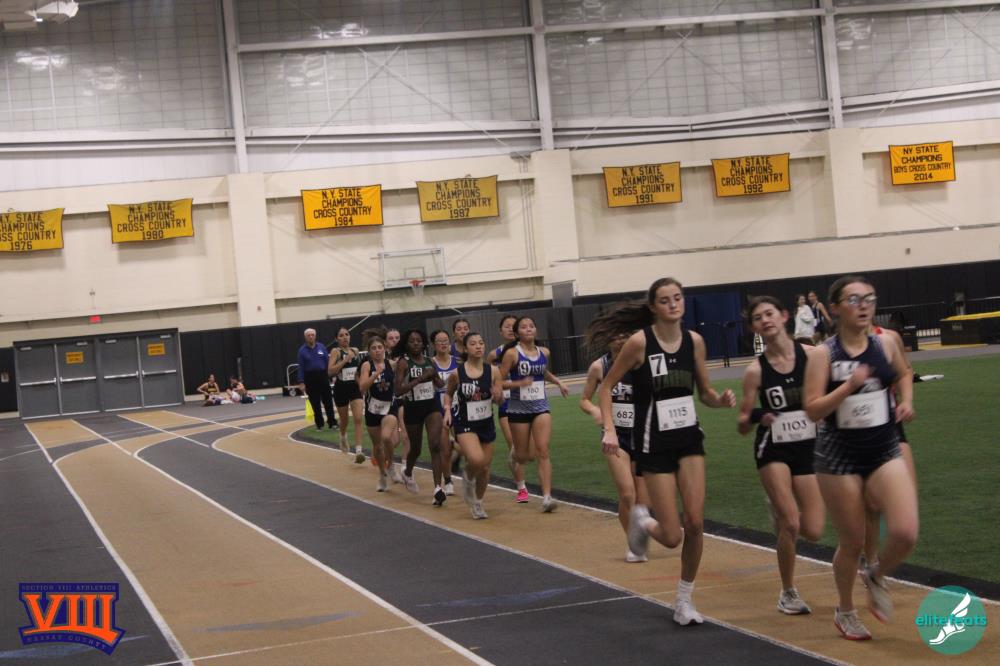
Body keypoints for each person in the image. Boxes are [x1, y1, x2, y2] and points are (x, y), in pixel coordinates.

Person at [590, 277, 737, 627]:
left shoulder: (695, 341)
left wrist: (719, 400)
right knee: (672, 537)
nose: (673, 304)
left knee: (696, 522)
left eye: (678, 298)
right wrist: (609, 429)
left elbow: (704, 392)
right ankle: (642, 520)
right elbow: (606, 388)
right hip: (652, 442)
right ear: (654, 307)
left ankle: (684, 600)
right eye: (665, 300)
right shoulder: (640, 343)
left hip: (688, 439)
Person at [803, 275, 917, 641]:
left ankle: (876, 574)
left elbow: (903, 372)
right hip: (839, 455)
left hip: (883, 446)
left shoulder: (886, 343)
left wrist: (906, 401)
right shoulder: (824, 354)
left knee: (905, 531)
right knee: (852, 541)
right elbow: (812, 409)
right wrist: (848, 387)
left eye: (869, 298)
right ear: (835, 308)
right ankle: (845, 609)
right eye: (854, 299)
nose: (864, 305)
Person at [737, 296, 825, 615]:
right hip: (773, 447)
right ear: (754, 328)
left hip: (808, 447)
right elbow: (742, 423)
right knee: (791, 522)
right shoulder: (755, 372)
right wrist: (758, 416)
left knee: (813, 530)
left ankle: (780, 506)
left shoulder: (813, 356)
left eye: (769, 313)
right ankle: (788, 592)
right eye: (758, 318)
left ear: (785, 316)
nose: (765, 320)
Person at [580, 331, 650, 562]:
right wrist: (595, 410)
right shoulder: (599, 367)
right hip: (614, 435)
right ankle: (633, 544)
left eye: (625, 335)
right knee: (627, 493)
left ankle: (638, 534)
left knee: (641, 498)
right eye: (616, 336)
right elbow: (584, 399)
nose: (620, 340)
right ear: (607, 339)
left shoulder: (641, 361)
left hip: (641, 434)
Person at [499, 316, 569, 513]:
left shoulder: (544, 352)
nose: (528, 329)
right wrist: (518, 383)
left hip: (540, 407)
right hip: (518, 409)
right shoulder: (512, 354)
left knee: (543, 450)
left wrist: (559, 382)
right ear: (517, 333)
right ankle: (515, 454)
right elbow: (498, 382)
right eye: (524, 327)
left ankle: (547, 497)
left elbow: (543, 372)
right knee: (524, 457)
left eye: (531, 326)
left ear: (536, 330)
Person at [444, 332, 503, 519]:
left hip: (486, 422)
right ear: (465, 348)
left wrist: (498, 396)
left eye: (481, 343)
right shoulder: (457, 374)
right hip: (465, 422)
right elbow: (448, 394)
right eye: (473, 343)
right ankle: (468, 475)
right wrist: (447, 411)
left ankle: (478, 503)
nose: (478, 346)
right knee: (477, 460)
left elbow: (499, 399)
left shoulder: (493, 371)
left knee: (485, 467)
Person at [394, 329, 446, 503]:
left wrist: (435, 376)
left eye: (418, 340)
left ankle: (438, 488)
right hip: (413, 408)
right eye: (411, 341)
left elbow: (440, 384)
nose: (415, 343)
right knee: (416, 449)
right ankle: (408, 472)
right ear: (406, 344)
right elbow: (398, 391)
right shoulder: (404, 363)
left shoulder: (430, 361)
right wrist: (420, 379)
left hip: (432, 405)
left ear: (424, 343)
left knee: (436, 445)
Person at [487, 314, 531, 503]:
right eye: (507, 326)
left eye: (514, 326)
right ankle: (521, 487)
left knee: (529, 450)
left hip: (529, 402)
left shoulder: (528, 351)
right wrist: (496, 392)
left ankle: (514, 461)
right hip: (506, 403)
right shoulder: (494, 354)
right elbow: (488, 378)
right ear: (500, 331)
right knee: (513, 444)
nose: (510, 329)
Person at [358, 328, 399, 492]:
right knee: (377, 446)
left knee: (387, 437)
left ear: (385, 348)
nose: (377, 351)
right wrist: (375, 374)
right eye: (373, 348)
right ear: (369, 351)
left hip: (390, 407)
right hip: (372, 410)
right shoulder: (367, 365)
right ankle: (382, 474)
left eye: (380, 347)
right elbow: (362, 387)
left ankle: (392, 465)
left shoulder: (392, 364)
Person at [329, 326, 366, 464]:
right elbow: (330, 371)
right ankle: (343, 435)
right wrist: (344, 360)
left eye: (347, 334)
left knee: (358, 418)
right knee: (344, 420)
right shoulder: (336, 351)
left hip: (355, 388)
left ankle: (358, 451)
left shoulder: (355, 350)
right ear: (336, 339)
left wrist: (362, 383)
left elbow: (359, 370)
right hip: (341, 389)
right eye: (341, 335)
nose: (345, 337)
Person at [431, 330, 459, 495]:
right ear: (434, 345)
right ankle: (448, 480)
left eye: (445, 341)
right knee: (444, 448)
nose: (443, 344)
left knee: (463, 444)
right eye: (439, 341)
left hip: (457, 407)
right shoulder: (430, 363)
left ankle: (456, 451)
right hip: (438, 409)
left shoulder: (457, 362)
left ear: (450, 343)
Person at [297, 328, 336, 430]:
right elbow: (301, 367)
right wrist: (301, 382)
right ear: (305, 337)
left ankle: (332, 422)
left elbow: (328, 362)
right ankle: (320, 425)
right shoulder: (302, 351)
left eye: (312, 335)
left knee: (328, 401)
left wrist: (332, 375)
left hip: (323, 376)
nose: (311, 337)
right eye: (308, 335)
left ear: (315, 336)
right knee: (315, 403)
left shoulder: (321, 347)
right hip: (310, 378)